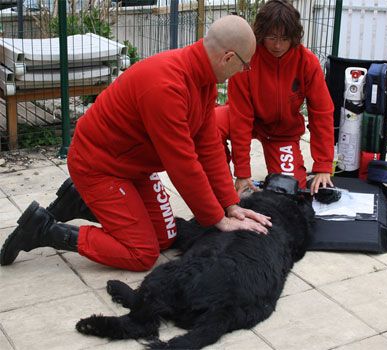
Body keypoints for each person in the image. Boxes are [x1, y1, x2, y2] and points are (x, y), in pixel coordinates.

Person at [0, 15, 272, 272]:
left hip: (132, 165)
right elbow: (183, 165)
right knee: (141, 253)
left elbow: (208, 145)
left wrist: (230, 204)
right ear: (227, 57)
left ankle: (80, 204)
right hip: (98, 165)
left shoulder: (204, 82)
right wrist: (217, 219)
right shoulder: (167, 86)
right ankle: (43, 230)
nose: (243, 71)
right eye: (245, 65)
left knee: (165, 237)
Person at [216, 0, 335, 196]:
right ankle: (220, 187)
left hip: (282, 132)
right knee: (212, 124)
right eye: (271, 37)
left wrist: (323, 165)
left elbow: (321, 113)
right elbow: (241, 117)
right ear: (261, 34)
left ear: (294, 37)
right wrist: (243, 172)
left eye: (284, 38)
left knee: (289, 191)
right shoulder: (246, 59)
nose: (278, 45)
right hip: (248, 119)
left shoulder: (307, 62)